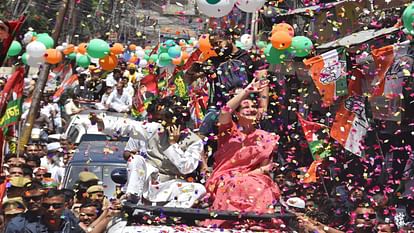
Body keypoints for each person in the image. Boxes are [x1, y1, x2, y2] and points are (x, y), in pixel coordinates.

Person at [91, 96, 206, 208]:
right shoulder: (156, 129)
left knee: (199, 189)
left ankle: (168, 213)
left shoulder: (194, 142)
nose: (164, 124)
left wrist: (172, 145)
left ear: (179, 121)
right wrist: (102, 122)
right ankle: (132, 197)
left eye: (168, 120)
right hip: (149, 180)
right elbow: (130, 126)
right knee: (135, 159)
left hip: (171, 184)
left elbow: (186, 168)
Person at [203, 78, 280, 229]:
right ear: (237, 113)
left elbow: (264, 169)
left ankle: (256, 223)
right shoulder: (229, 132)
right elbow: (225, 111)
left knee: (256, 184)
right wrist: (247, 91)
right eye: (246, 107)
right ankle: (234, 222)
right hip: (225, 177)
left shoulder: (266, 137)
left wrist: (250, 175)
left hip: (254, 177)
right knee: (236, 183)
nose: (251, 109)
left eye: (254, 106)